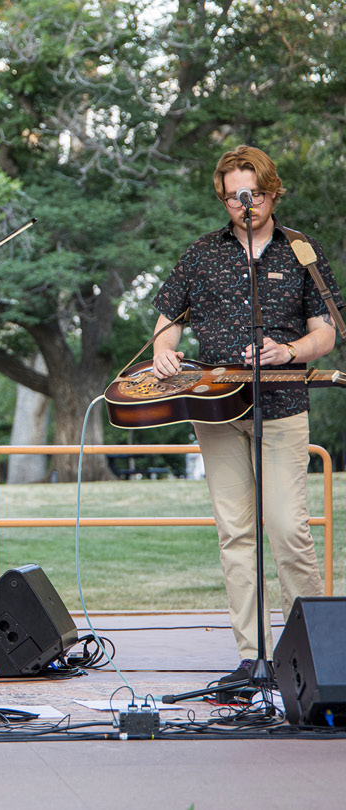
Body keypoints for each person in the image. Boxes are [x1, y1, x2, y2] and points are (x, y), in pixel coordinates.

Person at [151, 145, 341, 685]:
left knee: (287, 528)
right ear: (223, 197)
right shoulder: (201, 254)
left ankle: (316, 655)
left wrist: (289, 351)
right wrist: (165, 350)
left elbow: (325, 332)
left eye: (253, 194)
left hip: (281, 406)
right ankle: (252, 657)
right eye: (235, 196)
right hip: (214, 406)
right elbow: (167, 321)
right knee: (235, 531)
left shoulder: (302, 251)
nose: (245, 204)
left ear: (272, 191)